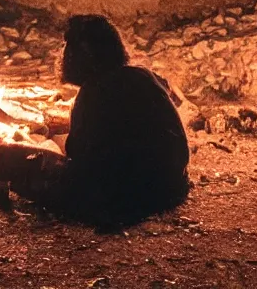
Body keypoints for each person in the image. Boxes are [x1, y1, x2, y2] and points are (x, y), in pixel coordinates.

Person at [56, 14, 190, 225]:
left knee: (2, 157)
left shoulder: (92, 92)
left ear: (85, 54)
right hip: (173, 186)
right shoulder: (144, 75)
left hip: (124, 198)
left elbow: (77, 154)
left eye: (67, 47)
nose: (62, 54)